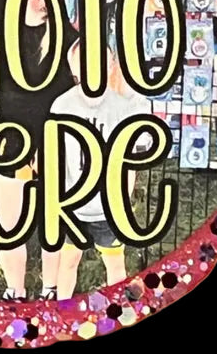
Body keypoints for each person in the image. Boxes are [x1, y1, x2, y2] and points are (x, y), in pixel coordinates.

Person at [0, 0, 76, 301]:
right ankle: (16, 292)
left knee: (52, 220)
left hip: (54, 143)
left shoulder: (67, 36)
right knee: (8, 224)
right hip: (10, 142)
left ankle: (50, 290)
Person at [50, 41, 153, 299]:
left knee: (115, 264)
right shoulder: (62, 106)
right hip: (72, 204)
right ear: (74, 69)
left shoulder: (123, 108)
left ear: (110, 66)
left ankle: (117, 307)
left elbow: (131, 159)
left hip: (108, 207)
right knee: (68, 261)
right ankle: (62, 309)